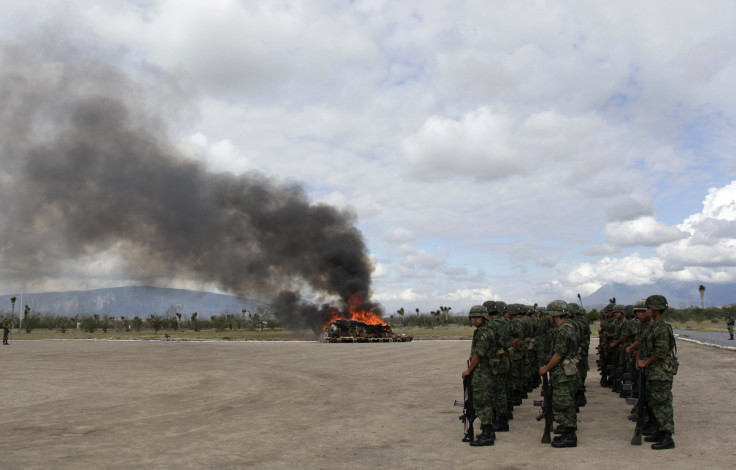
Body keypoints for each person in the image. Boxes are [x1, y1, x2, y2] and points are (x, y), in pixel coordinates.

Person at [636, 295, 677, 450]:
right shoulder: (653, 327)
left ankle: (667, 436)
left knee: (662, 404)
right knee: (654, 403)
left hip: (660, 372)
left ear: (656, 309)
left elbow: (660, 351)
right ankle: (660, 431)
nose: (647, 310)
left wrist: (645, 362)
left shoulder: (662, 328)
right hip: (653, 372)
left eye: (649, 308)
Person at [539, 300, 579, 448]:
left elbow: (559, 354)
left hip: (563, 373)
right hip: (564, 372)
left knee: (563, 403)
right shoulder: (567, 327)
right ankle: (567, 431)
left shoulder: (563, 330)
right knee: (565, 402)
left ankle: (569, 436)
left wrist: (546, 368)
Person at [462, 305, 498, 446]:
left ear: (484, 318)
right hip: (484, 371)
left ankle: (487, 434)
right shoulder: (483, 331)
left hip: (483, 372)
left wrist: (469, 370)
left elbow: (478, 354)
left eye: (478, 317)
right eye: (473, 317)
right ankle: (488, 431)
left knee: (482, 402)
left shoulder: (483, 333)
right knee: (484, 401)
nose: (475, 320)